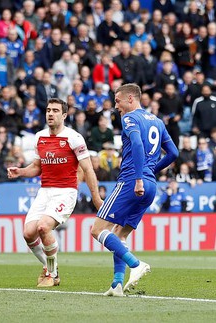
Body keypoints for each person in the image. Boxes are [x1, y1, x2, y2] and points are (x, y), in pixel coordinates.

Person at [90, 84, 178, 297]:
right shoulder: (157, 121)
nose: (116, 105)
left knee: (96, 230)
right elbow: (173, 153)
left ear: (131, 98)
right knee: (119, 235)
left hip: (131, 181)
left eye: (118, 100)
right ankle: (117, 284)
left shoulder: (129, 118)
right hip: (150, 185)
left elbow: (137, 145)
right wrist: (150, 171)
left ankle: (135, 264)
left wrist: (139, 177)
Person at [7, 98, 103, 288]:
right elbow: (36, 166)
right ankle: (50, 268)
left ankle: (52, 274)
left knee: (43, 227)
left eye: (55, 111)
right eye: (48, 110)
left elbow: (88, 170)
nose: (50, 114)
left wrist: (96, 198)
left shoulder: (74, 138)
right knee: (28, 233)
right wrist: (21, 172)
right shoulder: (39, 137)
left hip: (65, 192)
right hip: (44, 192)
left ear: (64, 115)